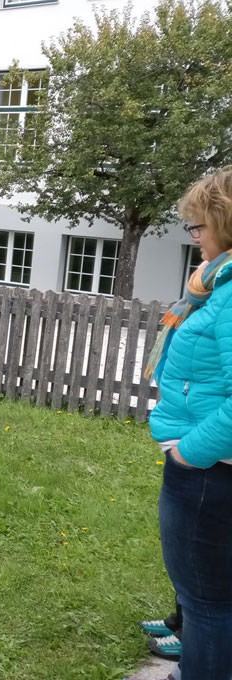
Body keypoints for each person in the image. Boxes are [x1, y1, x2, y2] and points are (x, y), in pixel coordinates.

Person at [145, 167, 232, 680]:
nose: (194, 237)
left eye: (198, 226)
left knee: (208, 604)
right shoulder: (216, 286)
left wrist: (188, 453)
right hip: (212, 468)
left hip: (210, 473)